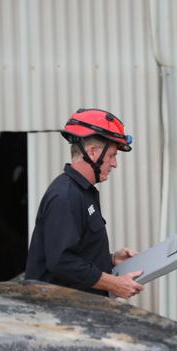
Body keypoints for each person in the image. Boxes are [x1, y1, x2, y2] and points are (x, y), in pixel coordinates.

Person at [25, 108, 144, 299]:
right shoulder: (66, 196)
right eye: (112, 155)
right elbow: (62, 261)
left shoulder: (82, 192)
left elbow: (79, 253)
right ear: (93, 152)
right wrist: (115, 284)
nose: (114, 164)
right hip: (58, 316)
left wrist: (112, 259)